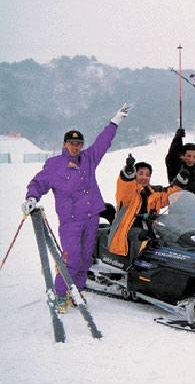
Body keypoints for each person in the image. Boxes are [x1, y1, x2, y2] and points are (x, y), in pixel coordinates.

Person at [22, 104, 131, 312]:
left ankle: (77, 292)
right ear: (65, 144)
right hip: (71, 221)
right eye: (72, 143)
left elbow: (103, 142)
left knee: (85, 259)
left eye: (79, 143)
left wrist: (114, 122)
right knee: (71, 260)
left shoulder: (88, 158)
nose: (76, 147)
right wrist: (31, 197)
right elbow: (39, 182)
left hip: (91, 218)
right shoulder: (55, 164)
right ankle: (60, 295)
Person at [109, 154, 188, 261]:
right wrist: (128, 172)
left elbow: (168, 196)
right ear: (135, 175)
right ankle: (135, 267)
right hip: (127, 229)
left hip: (149, 226)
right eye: (140, 174)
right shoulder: (130, 192)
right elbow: (125, 186)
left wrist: (180, 182)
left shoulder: (153, 193)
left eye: (147, 175)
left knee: (171, 235)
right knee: (141, 236)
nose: (144, 177)